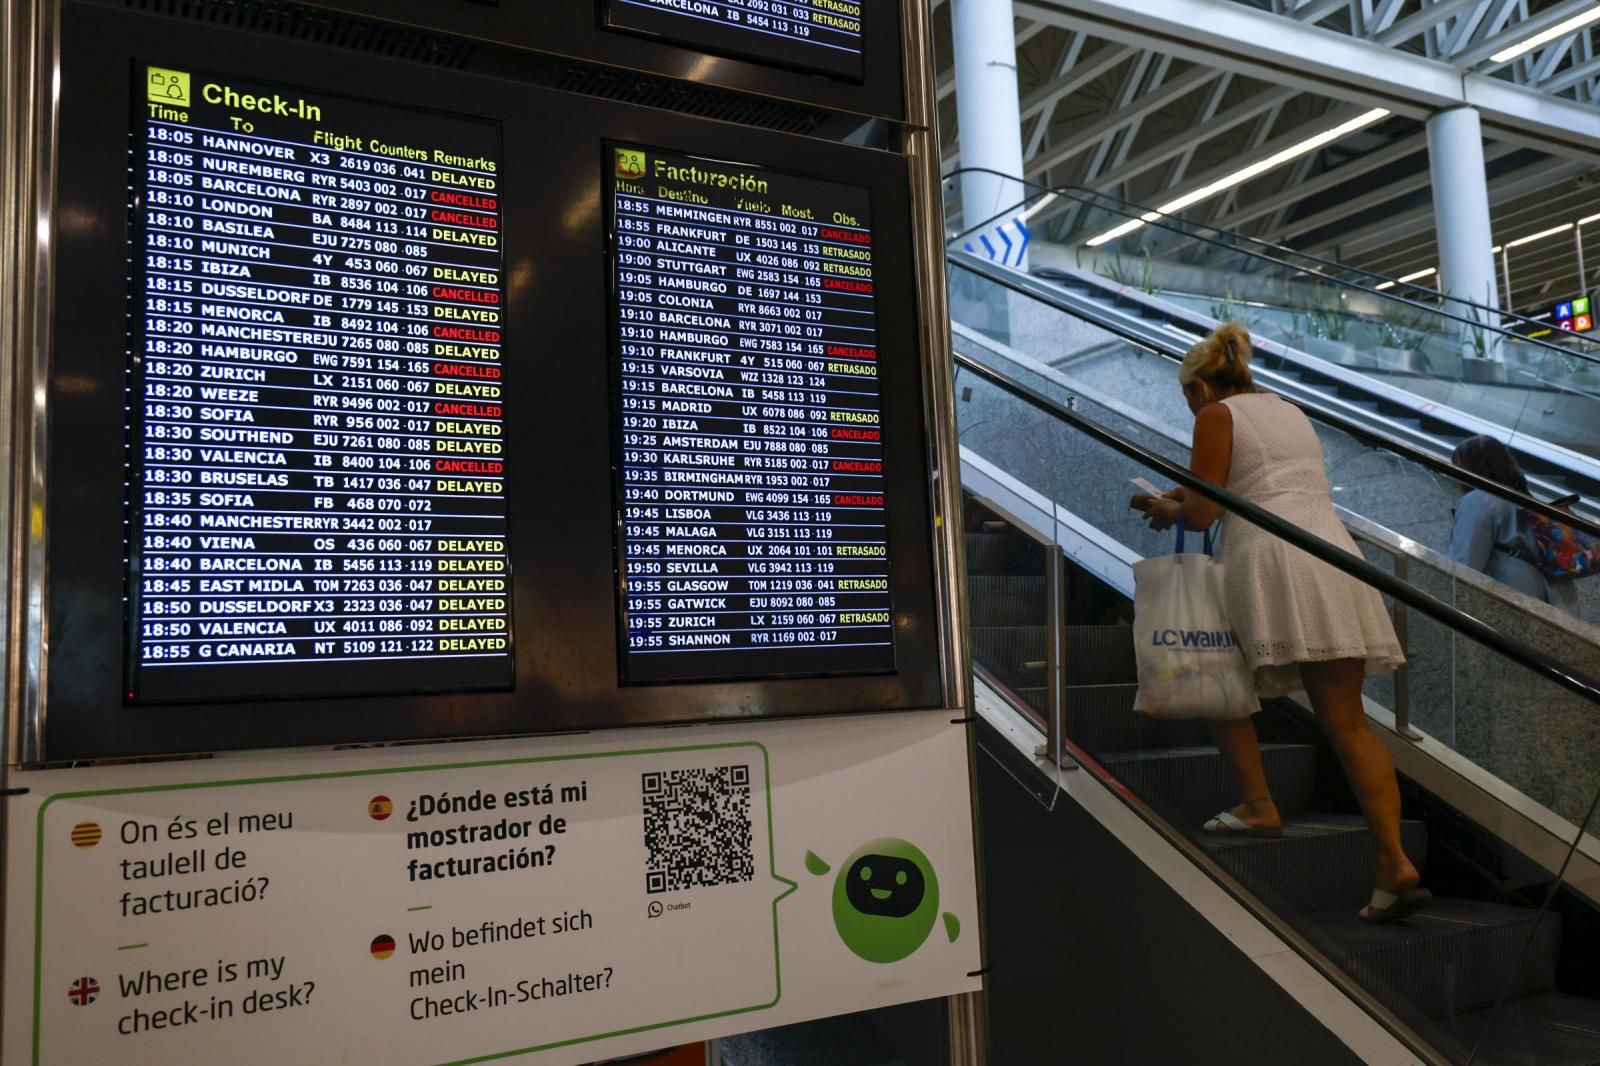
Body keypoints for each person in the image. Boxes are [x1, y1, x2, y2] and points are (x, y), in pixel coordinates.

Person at [1130, 322, 1424, 923]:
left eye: (1187, 398)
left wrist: (1169, 508)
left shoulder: (1216, 416)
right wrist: (1182, 495)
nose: (1190, 408)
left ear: (1201, 390)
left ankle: (1259, 804)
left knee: (1209, 672)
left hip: (1268, 561)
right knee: (1348, 722)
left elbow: (1209, 507)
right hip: (1331, 556)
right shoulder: (1289, 410)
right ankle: (1393, 863)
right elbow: (1262, 480)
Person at [1447, 435, 1577, 614]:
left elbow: (1464, 563)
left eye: (1457, 465)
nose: (1454, 474)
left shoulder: (1478, 499)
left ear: (1470, 465)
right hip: (1557, 599)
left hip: (1514, 594)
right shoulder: (1527, 502)